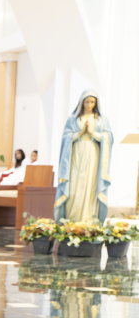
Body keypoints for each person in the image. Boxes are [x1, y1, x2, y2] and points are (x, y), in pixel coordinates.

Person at [55, 90, 113, 222]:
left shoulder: (101, 119)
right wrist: (80, 133)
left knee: (91, 185)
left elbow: (108, 137)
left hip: (93, 154)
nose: (89, 105)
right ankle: (72, 219)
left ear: (96, 103)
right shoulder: (73, 119)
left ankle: (89, 220)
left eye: (92, 102)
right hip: (76, 154)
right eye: (87, 102)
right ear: (81, 102)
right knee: (75, 184)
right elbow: (66, 138)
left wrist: (92, 133)